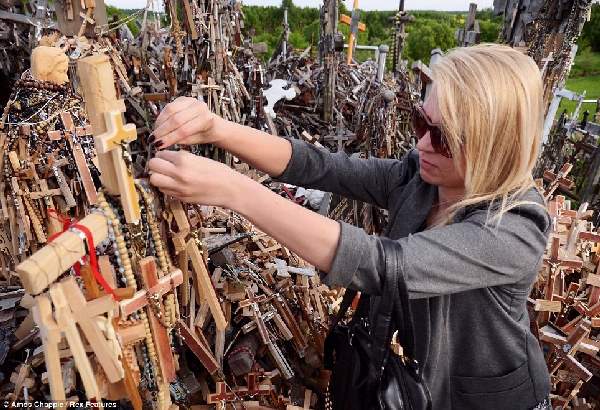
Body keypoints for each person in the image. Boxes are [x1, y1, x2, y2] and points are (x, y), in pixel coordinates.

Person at [148, 44, 551, 410]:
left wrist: (235, 191)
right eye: (420, 122)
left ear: (494, 146)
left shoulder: (514, 227)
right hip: (418, 384)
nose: (422, 144)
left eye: (443, 138)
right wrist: (218, 129)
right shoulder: (423, 178)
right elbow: (325, 167)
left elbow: (382, 265)